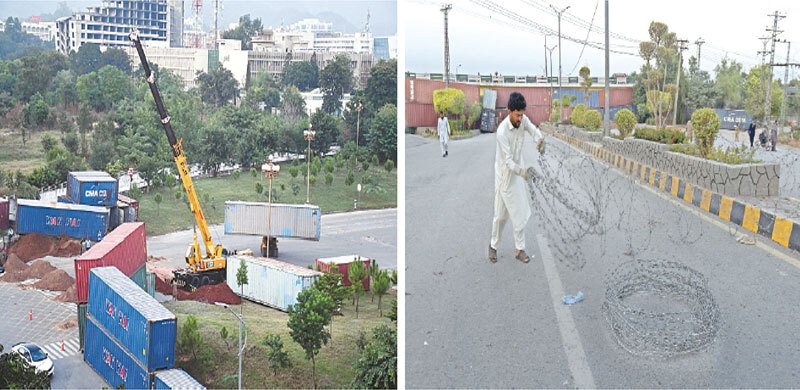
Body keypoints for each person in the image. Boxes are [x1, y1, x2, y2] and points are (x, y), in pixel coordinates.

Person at [488, 92, 546, 264]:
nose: (521, 118)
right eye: (518, 115)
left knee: (519, 212)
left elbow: (533, 131)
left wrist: (540, 141)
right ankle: (493, 246)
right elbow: (508, 163)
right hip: (505, 176)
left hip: (517, 175)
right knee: (500, 216)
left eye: (522, 114)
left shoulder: (523, 121)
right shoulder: (501, 132)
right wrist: (523, 172)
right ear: (509, 112)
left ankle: (519, 249)